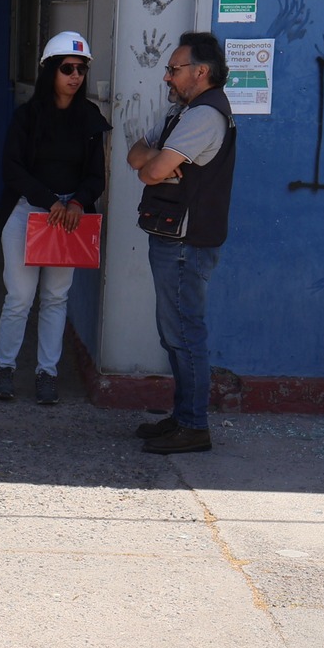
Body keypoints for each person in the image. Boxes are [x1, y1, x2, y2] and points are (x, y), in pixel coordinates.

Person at [126, 31, 236, 455]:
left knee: (185, 335)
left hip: (187, 243)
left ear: (200, 72)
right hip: (173, 238)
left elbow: (150, 171)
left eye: (174, 69)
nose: (167, 77)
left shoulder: (204, 116)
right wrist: (153, 164)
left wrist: (152, 167)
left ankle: (193, 426)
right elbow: (137, 154)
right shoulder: (182, 113)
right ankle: (183, 416)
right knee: (173, 334)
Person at [0, 31, 110, 406]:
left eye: (81, 69)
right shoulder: (27, 117)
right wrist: (47, 200)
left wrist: (76, 203)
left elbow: (96, 176)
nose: (75, 76)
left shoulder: (90, 118)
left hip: (69, 217)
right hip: (26, 212)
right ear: (50, 71)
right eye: (67, 68)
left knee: (56, 297)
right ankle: (5, 368)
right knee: (19, 297)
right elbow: (12, 169)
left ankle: (47, 373)